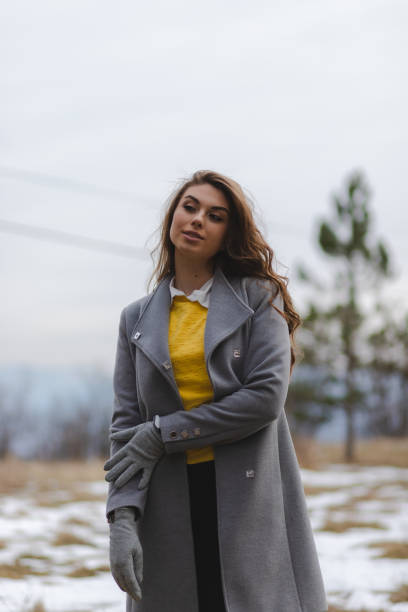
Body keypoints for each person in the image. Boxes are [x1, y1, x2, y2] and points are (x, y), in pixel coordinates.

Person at [104, 170, 328, 612]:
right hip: (167, 505)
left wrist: (165, 433)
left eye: (215, 215)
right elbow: (125, 429)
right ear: (172, 217)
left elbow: (264, 399)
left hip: (249, 501)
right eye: (189, 207)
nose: (197, 219)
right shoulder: (135, 320)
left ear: (229, 234)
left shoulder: (260, 300)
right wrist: (122, 520)